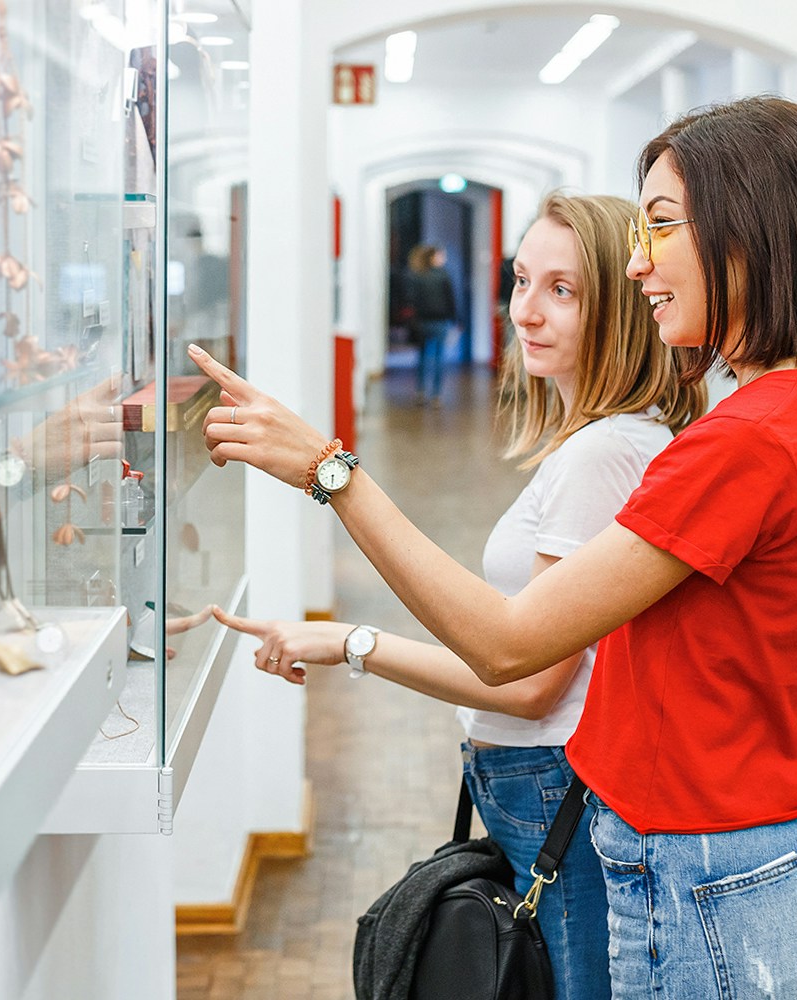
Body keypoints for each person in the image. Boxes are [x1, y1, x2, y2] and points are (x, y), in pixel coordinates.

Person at [189, 96, 797, 999]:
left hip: (715, 886)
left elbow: (512, 646)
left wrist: (332, 473)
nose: (639, 263)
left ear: (751, 236)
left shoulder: (745, 440)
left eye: (661, 228)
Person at [214, 192, 705, 1000]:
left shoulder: (605, 454)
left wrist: (352, 640)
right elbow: (514, 630)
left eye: (563, 290)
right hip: (537, 781)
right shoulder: (598, 441)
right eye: (521, 281)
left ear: (619, 308)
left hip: (556, 782)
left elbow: (528, 677)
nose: (528, 312)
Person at [404, 243, 459, 406]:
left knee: (422, 356)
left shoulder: (417, 275)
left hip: (422, 322)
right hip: (440, 321)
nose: (444, 258)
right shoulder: (444, 276)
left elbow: (411, 300)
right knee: (439, 357)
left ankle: (420, 391)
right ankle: (436, 395)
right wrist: (456, 320)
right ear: (433, 257)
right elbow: (451, 301)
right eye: (442, 255)